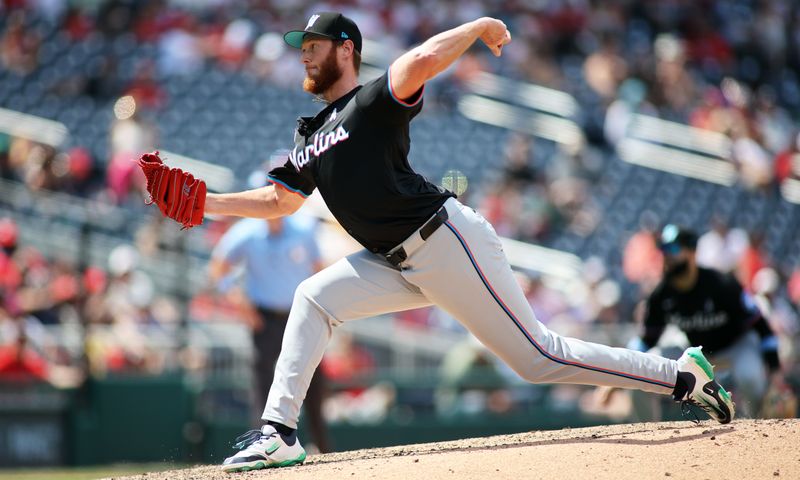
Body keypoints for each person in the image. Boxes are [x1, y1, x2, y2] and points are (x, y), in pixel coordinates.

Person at [164, 13, 733, 472]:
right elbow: (280, 201)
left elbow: (420, 60)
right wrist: (206, 202)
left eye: (313, 43)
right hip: (393, 260)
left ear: (346, 49)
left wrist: (478, 24)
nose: (304, 52)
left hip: (445, 240)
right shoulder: (310, 135)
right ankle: (280, 433)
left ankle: (681, 375)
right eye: (301, 44)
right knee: (314, 297)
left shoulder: (368, 105)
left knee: (537, 359)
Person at [209, 212, 331, 453]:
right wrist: (238, 300)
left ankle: (321, 444)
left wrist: (323, 309)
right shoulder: (246, 231)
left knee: (313, 379)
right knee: (262, 384)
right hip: (264, 318)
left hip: (301, 314)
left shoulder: (304, 228)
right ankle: (262, 447)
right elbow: (218, 267)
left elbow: (319, 269)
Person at [632, 225, 783, 418]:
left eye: (674, 249)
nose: (667, 255)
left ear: (693, 252)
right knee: (641, 371)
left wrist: (776, 371)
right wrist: (624, 370)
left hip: (736, 346)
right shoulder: (661, 294)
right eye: (664, 249)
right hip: (694, 352)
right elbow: (646, 341)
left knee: (750, 377)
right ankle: (649, 439)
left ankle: (760, 429)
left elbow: (761, 326)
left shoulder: (722, 284)